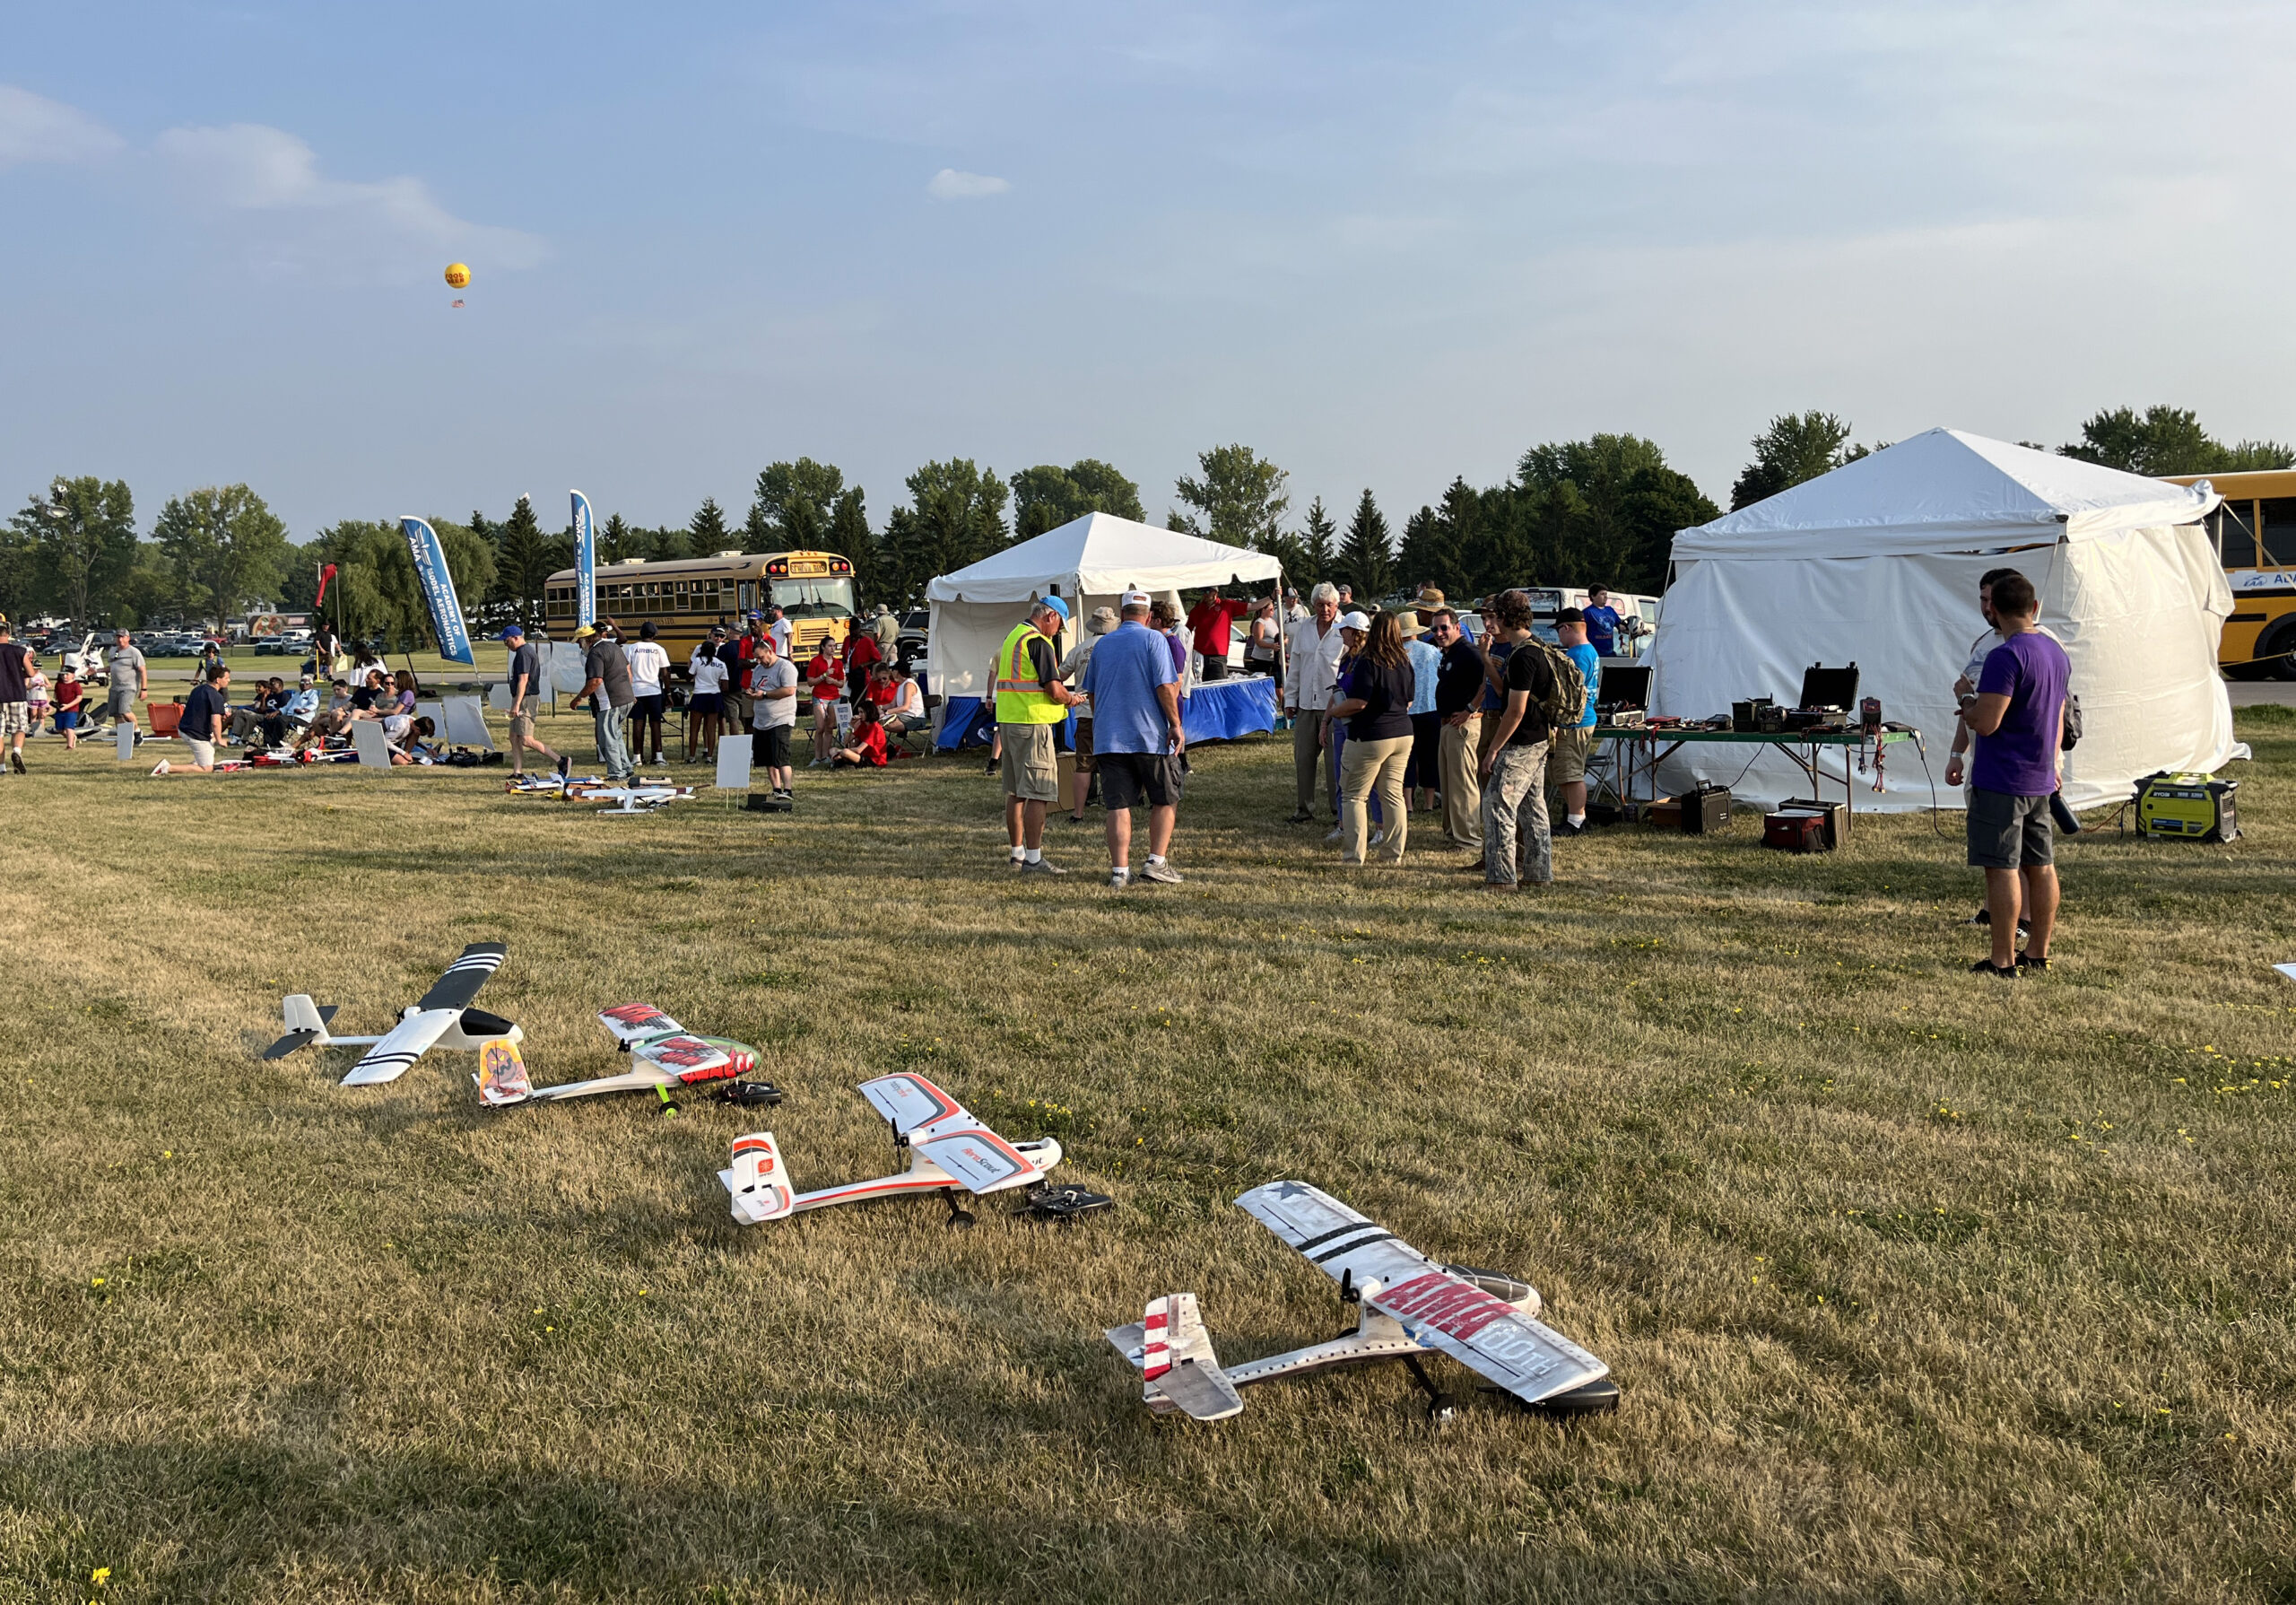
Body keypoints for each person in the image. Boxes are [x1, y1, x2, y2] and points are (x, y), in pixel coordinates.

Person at [1958, 571, 2070, 976]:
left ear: (1997, 611)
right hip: (2040, 776)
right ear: (2033, 607)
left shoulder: (2003, 656)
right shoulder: (2056, 652)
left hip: (2002, 777)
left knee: (2002, 867)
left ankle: (2002, 959)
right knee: (2041, 867)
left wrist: (1967, 701)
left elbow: (1987, 722)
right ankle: (2038, 952)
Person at [1082, 590, 1185, 886]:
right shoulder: (1155, 640)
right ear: (1150, 616)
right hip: (1149, 736)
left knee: (1118, 805)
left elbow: (1092, 692)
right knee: (1165, 799)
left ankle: (1119, 872)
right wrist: (1175, 724)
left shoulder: (1102, 645)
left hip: (1109, 737)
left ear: (1121, 613)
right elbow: (1165, 688)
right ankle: (1156, 862)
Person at [996, 597, 1087, 875]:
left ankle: (1017, 853)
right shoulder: (1038, 642)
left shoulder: (1014, 636)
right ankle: (1034, 860)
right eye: (1059, 625)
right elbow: (1054, 689)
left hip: (1009, 722)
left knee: (1016, 792)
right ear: (1050, 616)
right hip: (1032, 724)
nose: (1058, 631)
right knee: (1038, 791)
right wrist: (1072, 699)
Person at [1477, 589, 1556, 892]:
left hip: (1522, 744)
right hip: (1538, 740)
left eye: (1495, 615)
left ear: (1505, 618)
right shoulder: (1537, 647)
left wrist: (1494, 750)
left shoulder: (1524, 656)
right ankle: (1538, 875)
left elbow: (1515, 710)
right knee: (1532, 809)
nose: (1491, 621)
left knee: (1497, 805)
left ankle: (1501, 879)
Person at [1332, 612, 1417, 866]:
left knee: (1354, 796)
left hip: (1371, 734)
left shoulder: (1368, 661)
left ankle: (1353, 857)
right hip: (1402, 733)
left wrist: (1336, 710)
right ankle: (1393, 855)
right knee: (1393, 795)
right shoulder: (1404, 661)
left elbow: (1359, 703)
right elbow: (1409, 700)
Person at [1283, 582, 1346, 823]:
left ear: (1336, 604)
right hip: (1307, 704)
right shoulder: (1304, 628)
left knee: (1334, 762)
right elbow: (1296, 666)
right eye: (1320, 605)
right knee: (1304, 759)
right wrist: (1290, 698)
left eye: (1329, 604)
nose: (1325, 609)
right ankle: (1304, 809)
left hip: (1335, 704)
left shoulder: (1345, 628)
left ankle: (1338, 810)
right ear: (1313, 605)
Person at [1428, 608, 1484, 852]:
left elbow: (1487, 683)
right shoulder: (1449, 652)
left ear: (1457, 627)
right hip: (1448, 724)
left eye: (1444, 628)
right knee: (1449, 783)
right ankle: (1454, 833)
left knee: (1463, 783)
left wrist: (1470, 709)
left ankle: (1469, 839)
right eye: (1435, 629)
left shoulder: (1469, 653)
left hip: (1463, 726)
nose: (1439, 633)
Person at [1060, 606, 1115, 823]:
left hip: (1085, 711)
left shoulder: (1079, 649)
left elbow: (1060, 676)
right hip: (1112, 712)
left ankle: (1078, 813)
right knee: (1116, 761)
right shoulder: (1116, 646)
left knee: (1084, 763)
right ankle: (1119, 807)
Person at [1551, 606, 1601, 835]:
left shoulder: (1576, 655)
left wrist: (1557, 721)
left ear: (1567, 628)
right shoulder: (1590, 651)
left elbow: (1567, 694)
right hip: (1584, 719)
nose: (1558, 636)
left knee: (1571, 774)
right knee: (1565, 773)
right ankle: (1575, 816)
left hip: (1574, 723)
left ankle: (1576, 821)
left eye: (1559, 630)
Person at [572, 623, 635, 783]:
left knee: (607, 738)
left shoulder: (595, 653)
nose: (580, 645)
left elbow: (596, 681)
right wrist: (630, 693)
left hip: (609, 701)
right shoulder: (614, 647)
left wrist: (579, 697)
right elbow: (628, 669)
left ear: (587, 640)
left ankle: (616, 773)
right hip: (625, 698)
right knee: (616, 735)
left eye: (580, 641)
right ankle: (626, 768)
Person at [500, 624, 565, 778]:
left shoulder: (524, 653)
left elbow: (523, 680)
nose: (506, 645)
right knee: (514, 736)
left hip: (526, 700)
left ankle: (561, 760)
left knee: (527, 739)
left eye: (507, 641)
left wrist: (516, 705)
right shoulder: (522, 652)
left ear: (516, 638)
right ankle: (517, 772)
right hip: (520, 697)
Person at [745, 632, 798, 807]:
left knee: (781, 756)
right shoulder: (759, 669)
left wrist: (765, 695)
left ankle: (788, 790)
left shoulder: (785, 667)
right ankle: (776, 788)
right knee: (767, 758)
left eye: (760, 657)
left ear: (770, 651)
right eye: (756, 659)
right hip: (761, 720)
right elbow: (755, 686)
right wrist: (751, 692)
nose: (759, 662)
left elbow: (789, 690)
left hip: (781, 718)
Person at [1400, 609, 1443, 812]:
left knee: (1407, 758)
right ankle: (1428, 803)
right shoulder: (1431, 650)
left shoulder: (1397, 653)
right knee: (1429, 757)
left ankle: (1407, 803)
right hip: (1430, 708)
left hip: (1405, 711)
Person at [153, 663, 230, 775]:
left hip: (184, 728)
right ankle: (166, 768)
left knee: (210, 744)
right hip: (195, 734)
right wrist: (220, 740)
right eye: (227, 678)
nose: (229, 680)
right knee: (207, 769)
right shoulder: (216, 696)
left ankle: (198, 761)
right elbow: (215, 723)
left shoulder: (198, 689)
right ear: (218, 680)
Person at [624, 621, 672, 766]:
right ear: (655, 635)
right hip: (654, 691)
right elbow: (665, 672)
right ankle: (658, 756)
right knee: (655, 724)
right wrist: (668, 692)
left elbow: (626, 669)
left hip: (636, 691)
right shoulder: (659, 649)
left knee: (638, 724)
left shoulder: (632, 648)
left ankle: (637, 757)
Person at [1185, 588, 1249, 682]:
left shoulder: (1226, 605)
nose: (1205, 594)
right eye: (1203, 592)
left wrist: (1271, 597)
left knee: (1219, 685)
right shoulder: (1197, 610)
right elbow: (1187, 631)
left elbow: (1251, 606)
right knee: (1201, 685)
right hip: (1200, 656)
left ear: (1215, 592)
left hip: (1218, 657)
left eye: (1207, 591)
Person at [686, 633, 730, 763]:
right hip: (714, 696)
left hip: (699, 695)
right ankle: (710, 757)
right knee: (711, 729)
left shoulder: (698, 662)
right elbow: (726, 686)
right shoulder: (721, 664)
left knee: (694, 729)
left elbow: (688, 677)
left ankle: (692, 757)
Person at [804, 638, 845, 765]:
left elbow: (841, 683)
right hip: (820, 696)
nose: (833, 648)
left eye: (834, 646)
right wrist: (824, 676)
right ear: (823, 647)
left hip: (834, 697)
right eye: (830, 646)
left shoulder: (838, 663)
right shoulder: (816, 661)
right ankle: (817, 757)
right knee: (820, 727)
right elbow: (810, 682)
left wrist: (833, 681)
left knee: (829, 727)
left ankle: (826, 754)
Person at [0, 622, 33, 772]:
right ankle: (17, 751)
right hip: (17, 694)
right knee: (19, 729)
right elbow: (31, 673)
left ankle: (1, 767)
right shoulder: (20, 651)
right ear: (8, 634)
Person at [105, 628, 145, 738]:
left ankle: (137, 732)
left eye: (122, 637)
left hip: (128, 687)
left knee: (125, 711)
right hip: (114, 687)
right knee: (116, 714)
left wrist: (144, 689)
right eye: (118, 637)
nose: (120, 639)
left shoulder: (134, 652)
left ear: (128, 638)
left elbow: (142, 670)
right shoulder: (113, 651)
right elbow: (112, 667)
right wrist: (96, 671)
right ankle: (123, 738)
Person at [831, 698, 890, 768]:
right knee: (832, 750)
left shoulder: (875, 728)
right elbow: (846, 741)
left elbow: (859, 750)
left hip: (874, 760)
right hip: (863, 756)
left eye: (862, 712)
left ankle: (839, 762)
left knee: (845, 752)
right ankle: (841, 762)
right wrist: (850, 726)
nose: (859, 715)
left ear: (868, 712)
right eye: (859, 712)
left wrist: (840, 752)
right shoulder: (863, 726)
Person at [883, 662, 929, 746]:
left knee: (882, 723)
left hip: (914, 718)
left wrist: (887, 712)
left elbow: (905, 707)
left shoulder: (909, 685)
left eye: (893, 670)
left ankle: (881, 749)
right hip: (904, 716)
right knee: (875, 721)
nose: (891, 672)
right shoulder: (900, 685)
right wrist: (877, 708)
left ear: (897, 672)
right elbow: (892, 705)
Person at [1581, 587, 1625, 658]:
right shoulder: (1587, 612)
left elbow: (1621, 626)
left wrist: (1638, 631)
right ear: (1593, 596)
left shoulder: (1610, 610)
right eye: (1602, 594)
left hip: (1610, 653)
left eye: (1606, 594)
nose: (1605, 597)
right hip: (1594, 654)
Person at [1243, 597, 1280, 677]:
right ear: (1263, 610)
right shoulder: (1259, 623)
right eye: (1271, 609)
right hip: (1262, 659)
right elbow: (1259, 641)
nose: (1273, 611)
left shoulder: (1272, 621)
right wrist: (1272, 646)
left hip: (1273, 657)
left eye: (1274, 609)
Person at [52, 662, 83, 751]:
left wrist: (68, 706)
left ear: (73, 675)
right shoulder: (58, 684)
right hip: (60, 709)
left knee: (69, 727)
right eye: (63, 675)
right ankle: (72, 737)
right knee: (59, 729)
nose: (64, 676)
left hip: (71, 710)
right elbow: (56, 695)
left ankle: (70, 745)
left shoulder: (76, 685)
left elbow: (79, 698)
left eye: (67, 674)